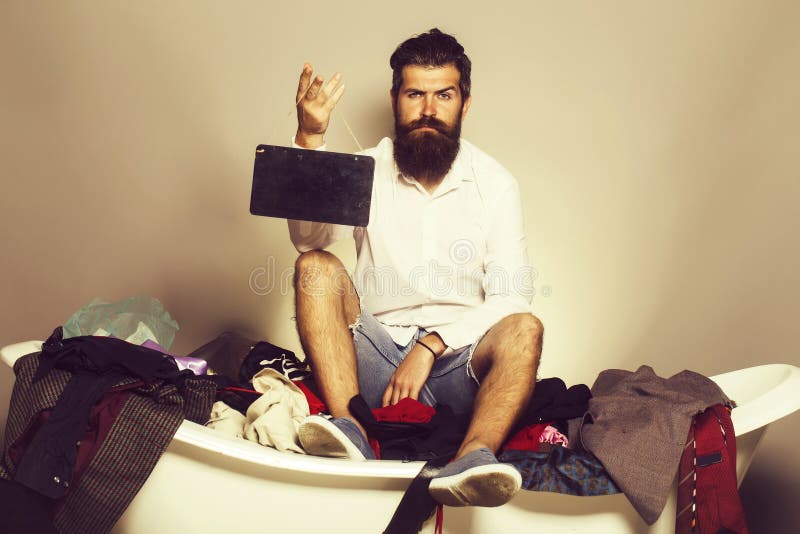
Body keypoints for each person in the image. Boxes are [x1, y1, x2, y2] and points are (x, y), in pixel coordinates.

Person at [287, 28, 543, 508]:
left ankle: (472, 456)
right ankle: (352, 429)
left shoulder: (496, 184)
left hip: (457, 366)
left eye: (443, 95)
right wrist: (311, 138)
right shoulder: (367, 169)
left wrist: (431, 344)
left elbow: (512, 297)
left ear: (465, 103)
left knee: (525, 327)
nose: (428, 110)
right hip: (372, 361)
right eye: (415, 95)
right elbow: (308, 238)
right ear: (395, 99)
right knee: (314, 267)